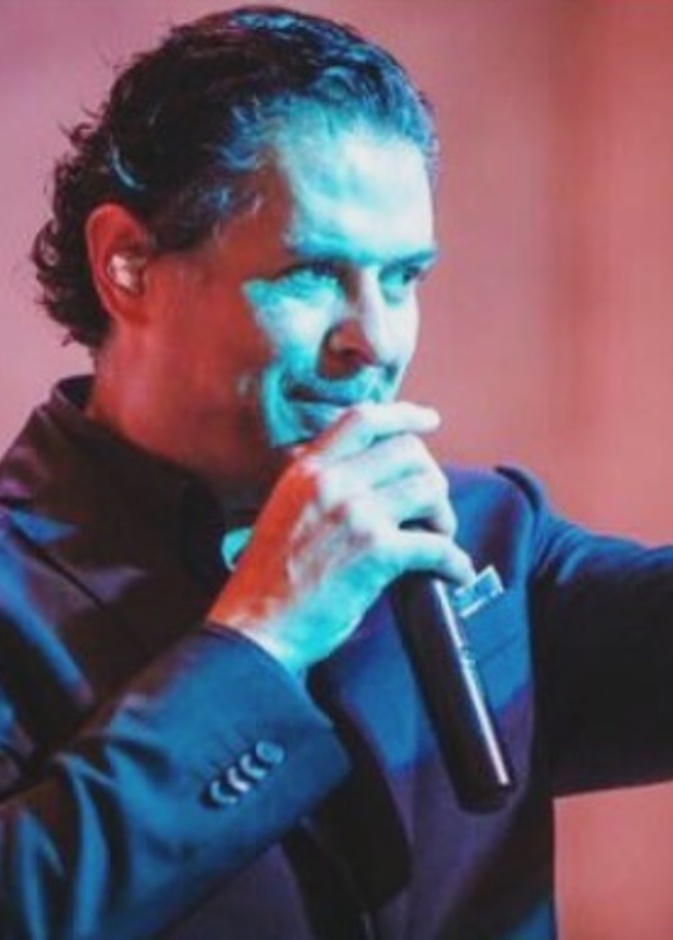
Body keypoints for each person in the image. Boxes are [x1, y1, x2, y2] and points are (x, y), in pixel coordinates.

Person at [1, 5, 672, 938]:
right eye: (313, 273)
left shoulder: (484, 536)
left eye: (402, 278)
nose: (376, 340)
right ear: (128, 263)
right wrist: (263, 638)